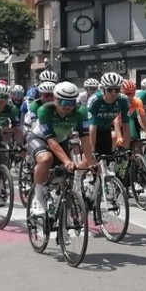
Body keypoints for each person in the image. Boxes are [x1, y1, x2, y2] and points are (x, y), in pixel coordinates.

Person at [27, 82, 93, 218]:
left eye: (71, 102)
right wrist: (67, 160)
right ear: (55, 100)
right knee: (46, 159)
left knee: (65, 179)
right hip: (39, 137)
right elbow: (51, 141)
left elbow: (85, 139)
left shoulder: (81, 112)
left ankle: (66, 217)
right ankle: (38, 198)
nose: (68, 106)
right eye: (63, 102)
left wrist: (91, 161)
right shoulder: (44, 110)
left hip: (61, 140)